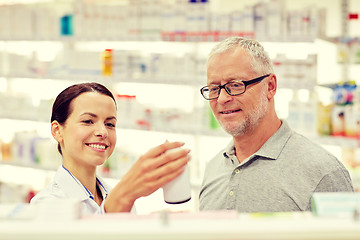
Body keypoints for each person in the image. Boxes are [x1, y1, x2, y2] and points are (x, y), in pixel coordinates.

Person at [199, 36, 354, 212]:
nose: (222, 98)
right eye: (213, 89)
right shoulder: (213, 168)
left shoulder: (323, 172)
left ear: (270, 86)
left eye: (235, 85)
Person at [30, 82, 190, 215]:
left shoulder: (111, 194)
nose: (103, 132)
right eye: (88, 121)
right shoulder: (46, 204)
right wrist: (124, 196)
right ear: (57, 131)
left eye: (110, 124)